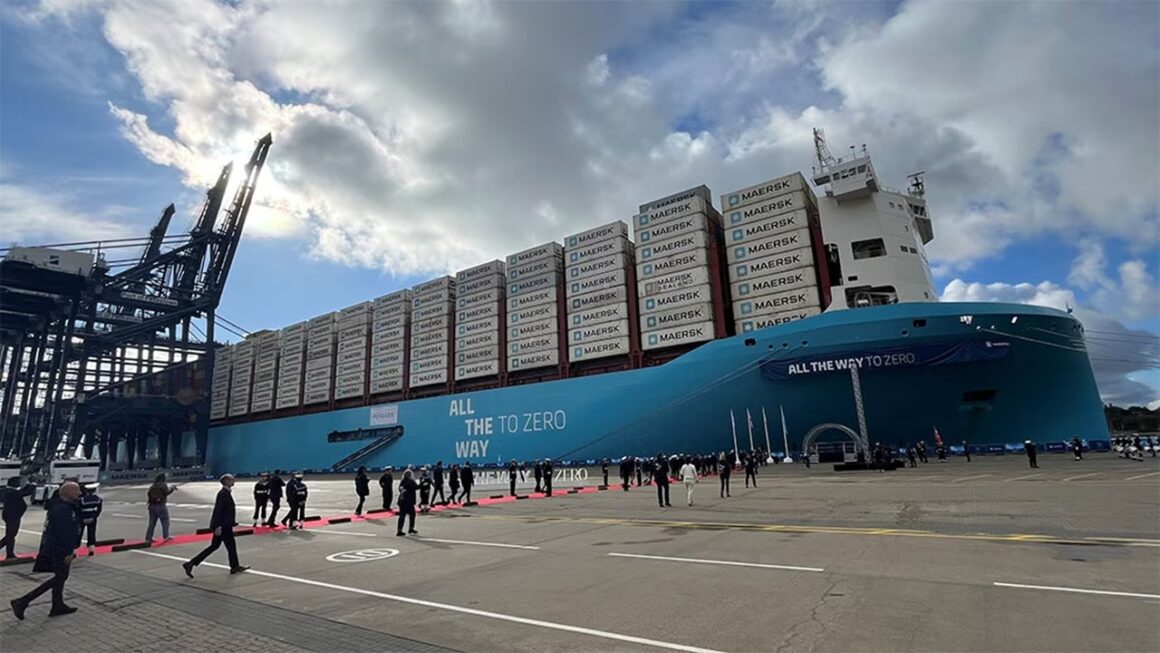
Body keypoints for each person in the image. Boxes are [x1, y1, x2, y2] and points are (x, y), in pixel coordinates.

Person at [10, 481, 81, 619]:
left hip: (57, 548)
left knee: (61, 577)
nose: (79, 493)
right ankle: (22, 601)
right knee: (60, 576)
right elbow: (63, 533)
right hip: (59, 549)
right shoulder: (63, 510)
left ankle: (57, 605)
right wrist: (69, 551)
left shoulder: (64, 507)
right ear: (67, 493)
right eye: (76, 491)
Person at [182, 475, 248, 578]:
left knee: (216, 546)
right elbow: (218, 511)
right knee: (230, 546)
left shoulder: (225, 493)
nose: (233, 480)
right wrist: (217, 526)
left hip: (225, 525)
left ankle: (191, 563)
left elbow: (226, 511)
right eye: (231, 479)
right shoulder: (223, 494)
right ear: (226, 481)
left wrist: (232, 522)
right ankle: (234, 566)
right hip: (223, 527)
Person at [0, 477, 35, 560]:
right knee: (11, 535)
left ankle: (10, 553)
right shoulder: (11, 492)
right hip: (12, 516)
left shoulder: (7, 491)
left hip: (12, 515)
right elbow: (26, 492)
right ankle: (10, 554)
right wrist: (32, 484)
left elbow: (22, 491)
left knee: (11, 535)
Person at [145, 473, 177, 542]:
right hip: (161, 505)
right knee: (165, 521)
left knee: (152, 523)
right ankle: (166, 536)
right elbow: (167, 492)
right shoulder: (163, 484)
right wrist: (172, 488)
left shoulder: (153, 485)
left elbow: (149, 494)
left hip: (151, 506)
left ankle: (148, 537)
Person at [78, 483, 103, 556]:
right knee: (91, 534)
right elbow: (99, 509)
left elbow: (78, 509)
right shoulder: (98, 499)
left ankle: (75, 550)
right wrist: (95, 516)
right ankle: (91, 549)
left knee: (79, 534)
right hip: (92, 518)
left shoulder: (82, 499)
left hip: (82, 518)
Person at [396, 470, 419, 536]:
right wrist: (423, 484)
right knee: (412, 514)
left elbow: (400, 489)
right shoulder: (410, 481)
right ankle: (410, 528)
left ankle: (399, 530)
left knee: (402, 516)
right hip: (408, 501)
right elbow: (416, 487)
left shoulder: (402, 481)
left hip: (402, 500)